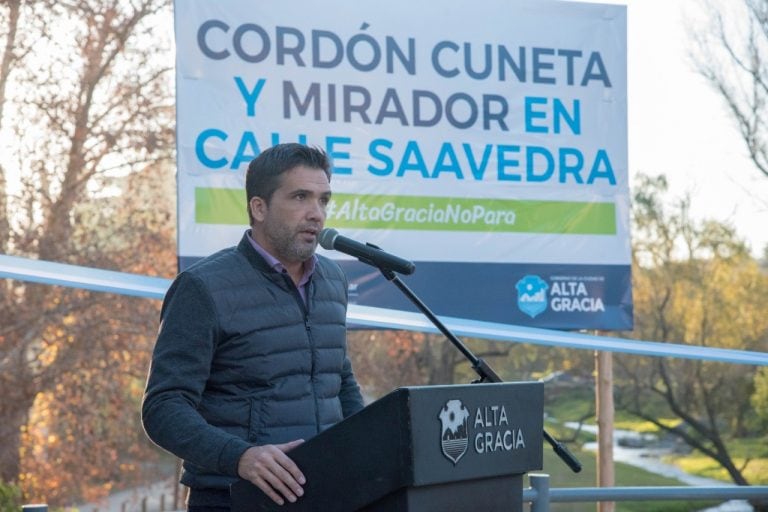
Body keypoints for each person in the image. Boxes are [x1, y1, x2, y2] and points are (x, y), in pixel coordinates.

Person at [142, 143, 365, 511]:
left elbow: (337, 381)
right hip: (233, 498)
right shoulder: (203, 287)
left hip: (324, 494)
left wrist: (373, 447)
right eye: (300, 197)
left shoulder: (333, 279)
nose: (316, 214)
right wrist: (241, 457)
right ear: (258, 207)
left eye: (324, 200)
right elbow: (164, 406)